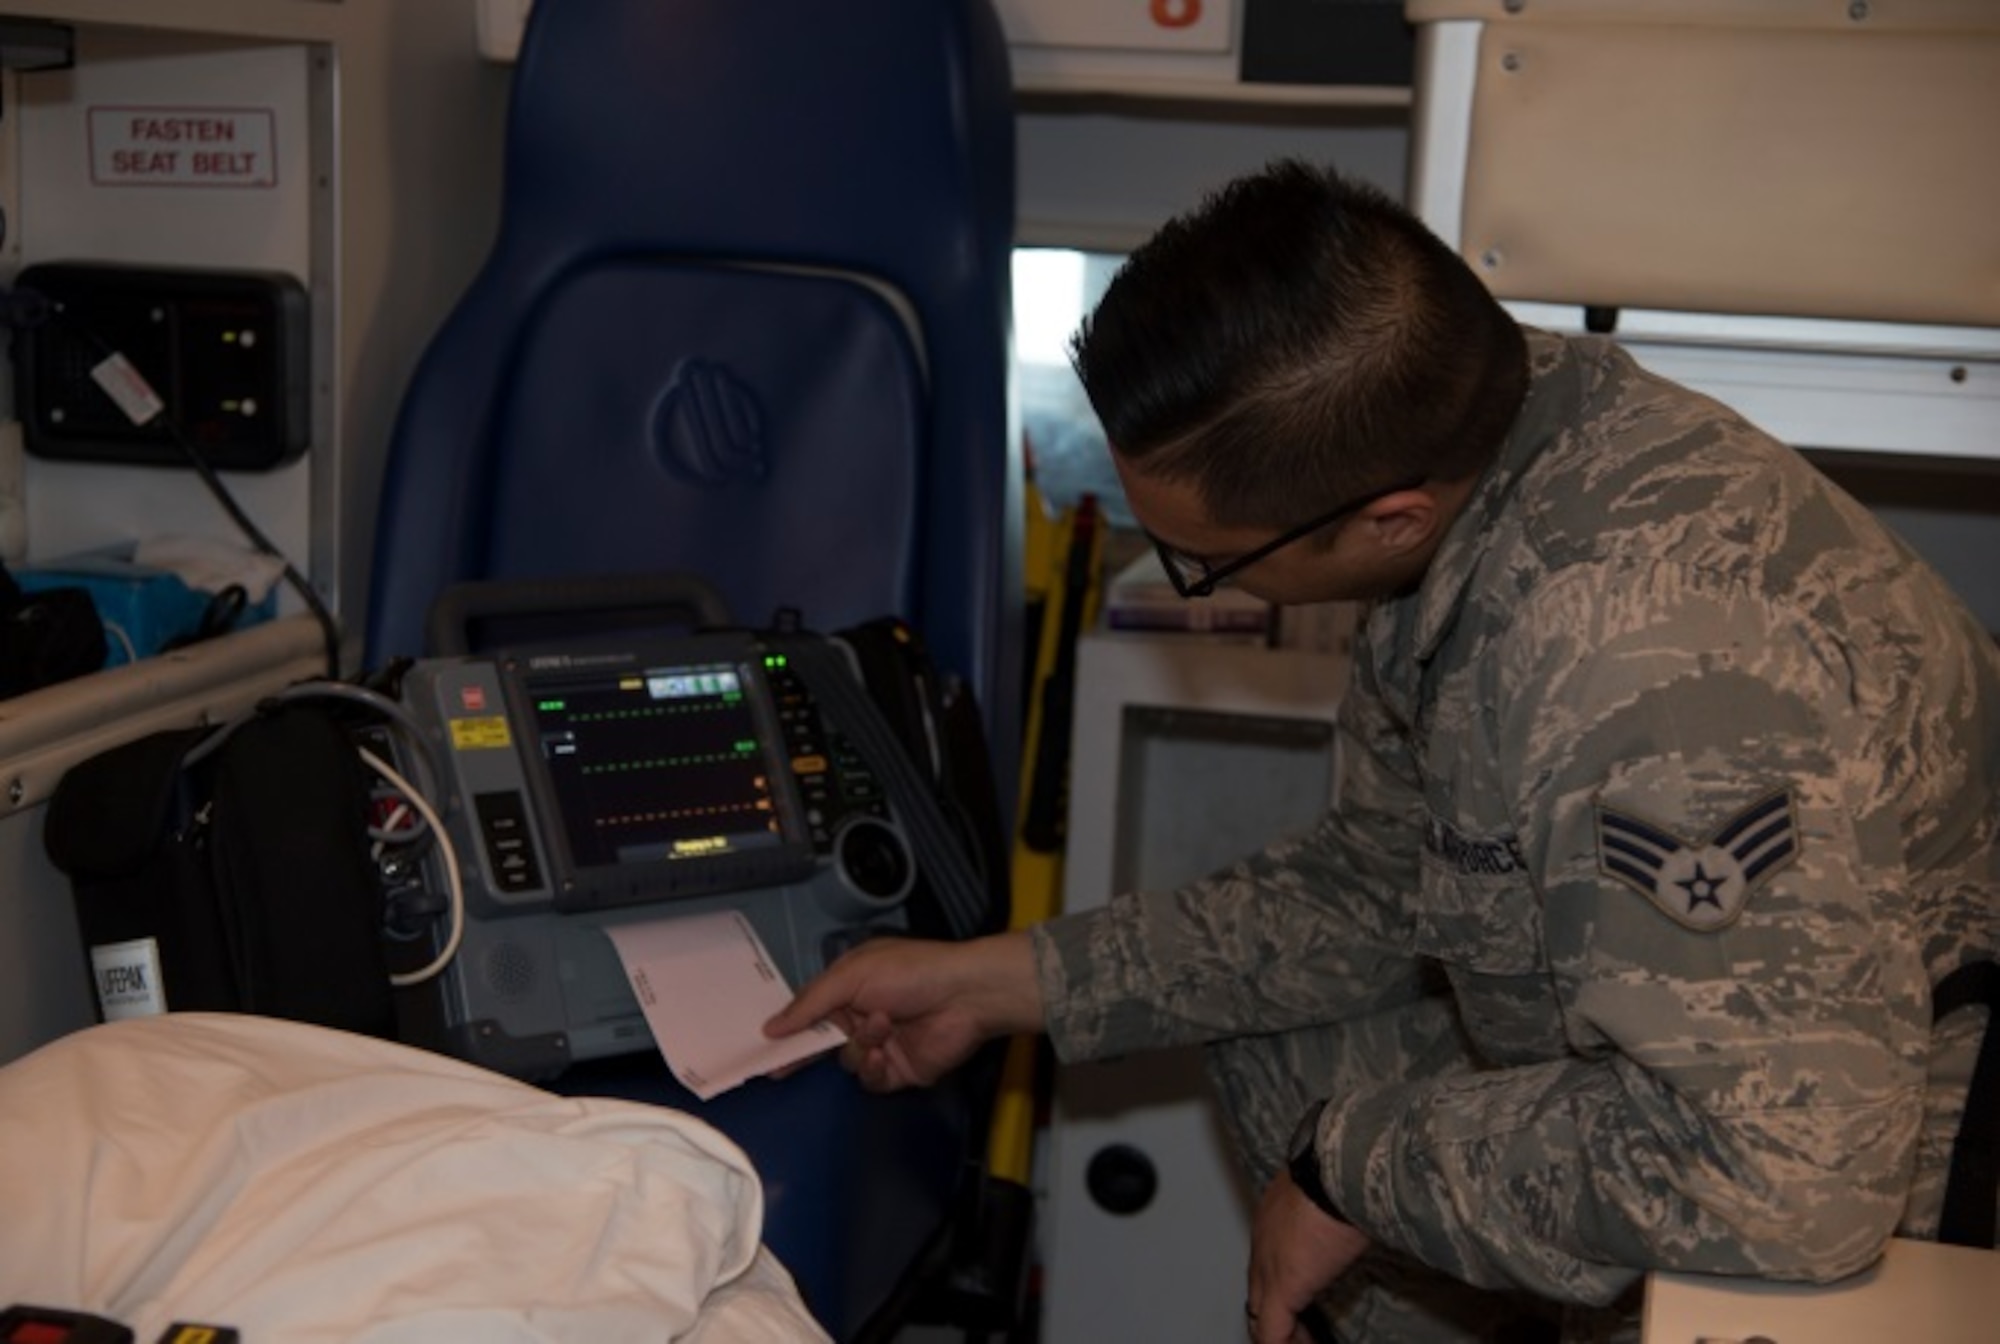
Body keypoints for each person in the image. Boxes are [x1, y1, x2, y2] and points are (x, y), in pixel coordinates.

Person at [766, 158, 2000, 1343]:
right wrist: (995, 986)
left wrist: (1355, 1169)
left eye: (1205, 562)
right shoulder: (1485, 430)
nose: (1190, 593)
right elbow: (1373, 889)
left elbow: (1780, 1175)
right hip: (1717, 1057)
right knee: (1285, 1044)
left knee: (1348, 1125)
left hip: (1882, 1133)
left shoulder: (1633, 658)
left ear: (1385, 516)